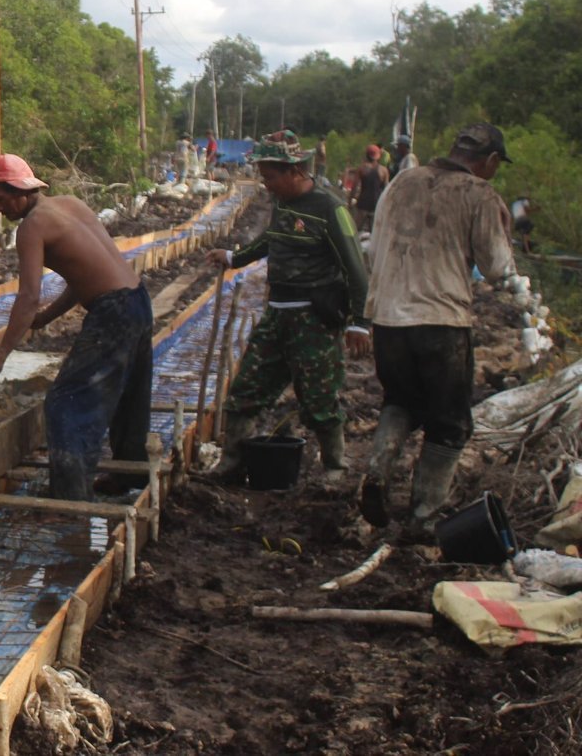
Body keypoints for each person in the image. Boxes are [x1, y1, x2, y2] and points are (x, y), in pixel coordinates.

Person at [360, 123, 516, 531]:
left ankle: (378, 466)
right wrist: (505, 231)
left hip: (388, 318)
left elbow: (374, 249)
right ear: (491, 160)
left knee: (400, 400)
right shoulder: (478, 193)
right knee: (449, 423)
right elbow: (496, 267)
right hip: (441, 322)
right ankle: (424, 516)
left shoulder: (402, 181)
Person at [0, 154, 152, 501]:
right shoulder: (71, 204)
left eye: (2, 200)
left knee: (66, 402)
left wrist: (0, 356)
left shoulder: (32, 227)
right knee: (129, 394)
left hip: (113, 313)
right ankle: (129, 475)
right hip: (137, 300)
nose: (0, 210)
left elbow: (28, 295)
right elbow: (83, 278)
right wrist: (47, 317)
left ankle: (71, 497)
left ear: (20, 190)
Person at [207, 133, 371, 484]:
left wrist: (360, 322)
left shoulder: (330, 209)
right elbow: (272, 238)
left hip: (313, 320)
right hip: (277, 314)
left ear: (294, 171)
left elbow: (355, 268)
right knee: (246, 390)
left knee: (319, 398)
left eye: (270, 177)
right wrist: (236, 257)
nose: (266, 185)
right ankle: (231, 465)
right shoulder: (282, 203)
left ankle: (334, 468)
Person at [349, 145, 390, 232]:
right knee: (374, 232)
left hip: (363, 203)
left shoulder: (361, 168)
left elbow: (354, 187)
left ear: (367, 155)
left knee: (354, 231)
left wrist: (350, 202)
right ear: (378, 156)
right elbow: (387, 191)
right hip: (376, 204)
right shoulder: (384, 171)